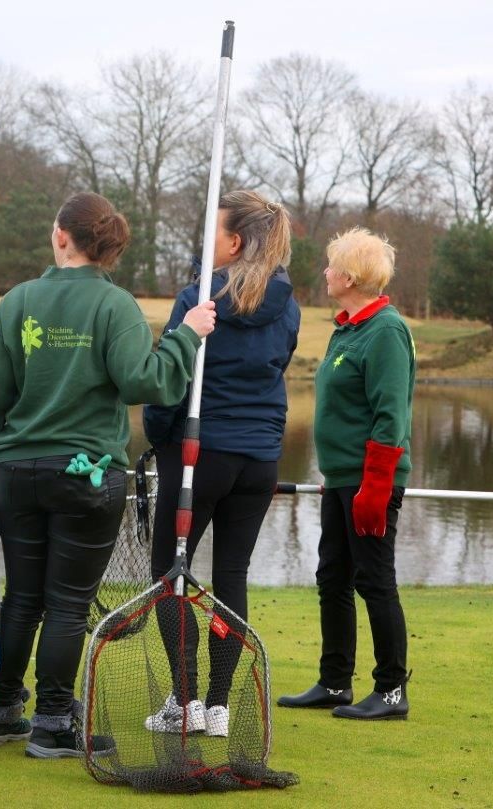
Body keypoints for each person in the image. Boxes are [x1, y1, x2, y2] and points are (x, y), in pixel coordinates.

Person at [0, 191, 218, 758]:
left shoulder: (18, 300)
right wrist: (187, 335)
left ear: (61, 236)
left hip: (17, 474)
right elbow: (146, 382)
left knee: (23, 597)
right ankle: (51, 722)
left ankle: (2, 711)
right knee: (67, 604)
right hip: (86, 477)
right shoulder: (116, 306)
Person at [141, 190, 300, 737]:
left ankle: (186, 702)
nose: (205, 240)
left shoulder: (198, 299)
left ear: (234, 242)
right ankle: (217, 707)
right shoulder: (289, 305)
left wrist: (157, 437)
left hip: (201, 454)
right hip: (260, 459)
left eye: (214, 231)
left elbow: (169, 379)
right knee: (232, 574)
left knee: (170, 574)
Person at [277, 226, 416, 720]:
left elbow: (390, 415)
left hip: (369, 480)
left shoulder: (386, 331)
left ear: (351, 277)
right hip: (339, 478)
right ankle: (335, 681)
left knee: (373, 579)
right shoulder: (348, 329)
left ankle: (391, 690)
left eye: (333, 265)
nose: (326, 272)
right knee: (332, 577)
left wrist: (375, 486)